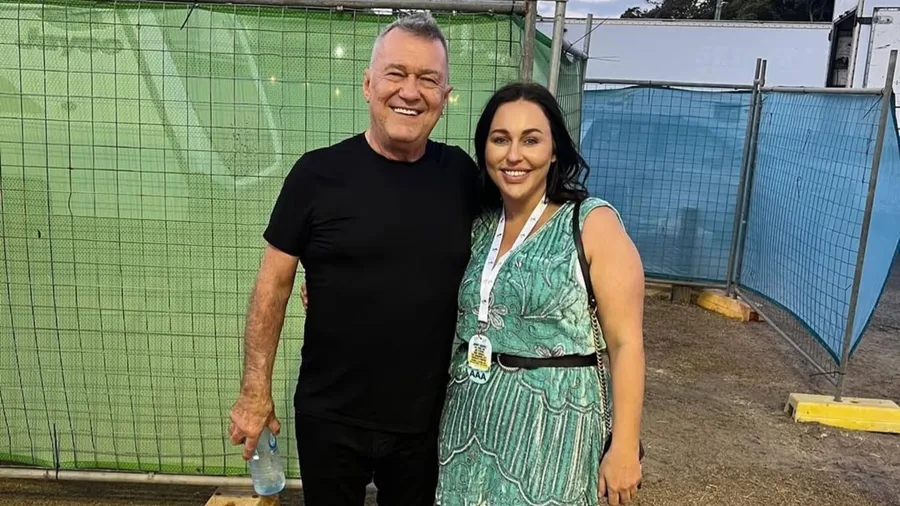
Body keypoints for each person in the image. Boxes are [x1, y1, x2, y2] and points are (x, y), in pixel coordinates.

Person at [227, 12, 481, 506]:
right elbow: (273, 286)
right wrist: (253, 390)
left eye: (428, 79)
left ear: (445, 98)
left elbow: (515, 240)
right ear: (368, 85)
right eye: (396, 73)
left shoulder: (462, 178)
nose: (411, 91)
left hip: (425, 420)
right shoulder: (316, 175)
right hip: (331, 416)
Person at [434, 82, 646, 506]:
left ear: (554, 152)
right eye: (500, 140)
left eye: (531, 140)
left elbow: (626, 344)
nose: (514, 156)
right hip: (468, 423)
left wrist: (624, 447)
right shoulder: (477, 225)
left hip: (554, 432)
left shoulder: (591, 223)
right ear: (485, 150)